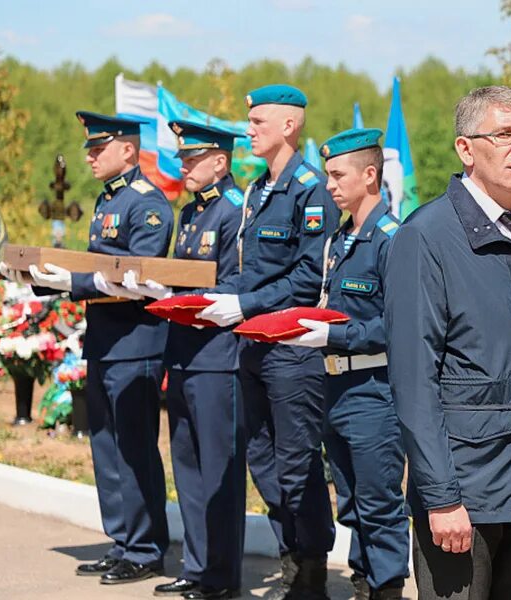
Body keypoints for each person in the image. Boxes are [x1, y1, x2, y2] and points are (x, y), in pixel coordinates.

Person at [384, 86, 511, 599]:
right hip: (465, 497)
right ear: (466, 148)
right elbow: (414, 381)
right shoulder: (426, 236)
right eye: (503, 134)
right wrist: (440, 497)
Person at [0, 111, 174, 584]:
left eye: (100, 149)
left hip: (135, 344)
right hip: (104, 342)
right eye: (90, 150)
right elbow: (94, 270)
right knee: (106, 448)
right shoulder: (108, 201)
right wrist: (38, 277)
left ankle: (145, 548)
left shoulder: (147, 204)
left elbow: (137, 274)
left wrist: (70, 282)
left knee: (134, 448)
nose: (91, 157)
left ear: (128, 150)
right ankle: (122, 542)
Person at [196, 84, 339, 600]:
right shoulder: (257, 190)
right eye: (249, 120)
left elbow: (307, 277)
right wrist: (208, 301)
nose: (249, 130)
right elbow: (248, 271)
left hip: (291, 349)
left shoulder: (310, 189)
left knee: (298, 462)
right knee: (263, 461)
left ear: (289, 126)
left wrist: (246, 304)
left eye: (258, 122)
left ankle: (311, 573)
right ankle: (289, 563)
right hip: (251, 345)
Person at [282, 128, 408, 600]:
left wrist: (334, 335)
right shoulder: (341, 238)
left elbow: (399, 326)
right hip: (334, 386)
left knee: (379, 502)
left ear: (370, 175)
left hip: (374, 388)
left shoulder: (391, 239)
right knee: (353, 502)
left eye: (338, 175)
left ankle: (387, 588)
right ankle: (363, 581)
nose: (329, 184)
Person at [123, 121, 248, 600]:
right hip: (184, 353)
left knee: (219, 472)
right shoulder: (194, 212)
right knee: (189, 469)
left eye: (192, 159)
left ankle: (221, 576)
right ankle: (197, 567)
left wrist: (184, 294)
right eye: (183, 159)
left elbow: (238, 282)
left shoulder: (234, 212)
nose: (184, 167)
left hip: (218, 357)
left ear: (220, 162)